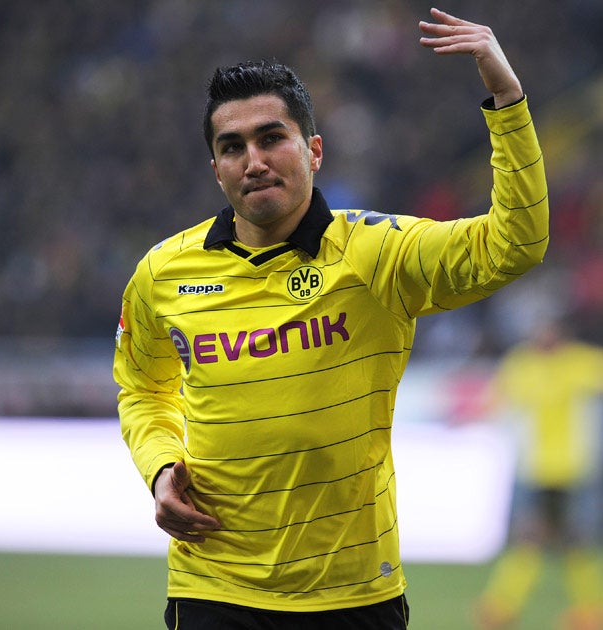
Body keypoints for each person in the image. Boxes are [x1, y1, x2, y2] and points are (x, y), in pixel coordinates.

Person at [113, 8, 549, 629]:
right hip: (213, 588)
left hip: (353, 597)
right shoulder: (163, 273)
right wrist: (160, 469)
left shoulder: (378, 254)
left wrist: (506, 100)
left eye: (271, 138)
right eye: (232, 147)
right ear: (216, 168)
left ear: (314, 150)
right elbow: (143, 387)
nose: (253, 160)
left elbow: (516, 244)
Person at [474, 320, 603, 630]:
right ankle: (506, 606)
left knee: (569, 542)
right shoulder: (522, 364)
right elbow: (493, 401)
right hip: (536, 470)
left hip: (572, 470)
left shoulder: (580, 361)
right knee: (539, 541)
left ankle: (507, 606)